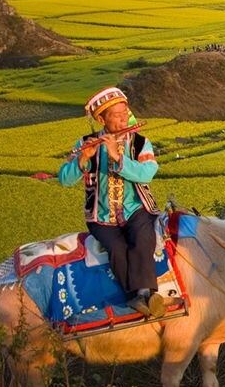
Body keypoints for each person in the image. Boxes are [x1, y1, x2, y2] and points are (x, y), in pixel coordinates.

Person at [58, 87, 165, 318]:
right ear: (101, 119)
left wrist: (118, 157)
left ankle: (148, 293)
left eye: (124, 112)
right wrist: (83, 159)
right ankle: (134, 297)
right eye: (115, 115)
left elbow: (147, 173)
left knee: (143, 239)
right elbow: (64, 180)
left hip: (137, 209)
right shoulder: (86, 143)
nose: (122, 118)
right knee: (117, 248)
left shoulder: (139, 142)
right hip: (102, 216)